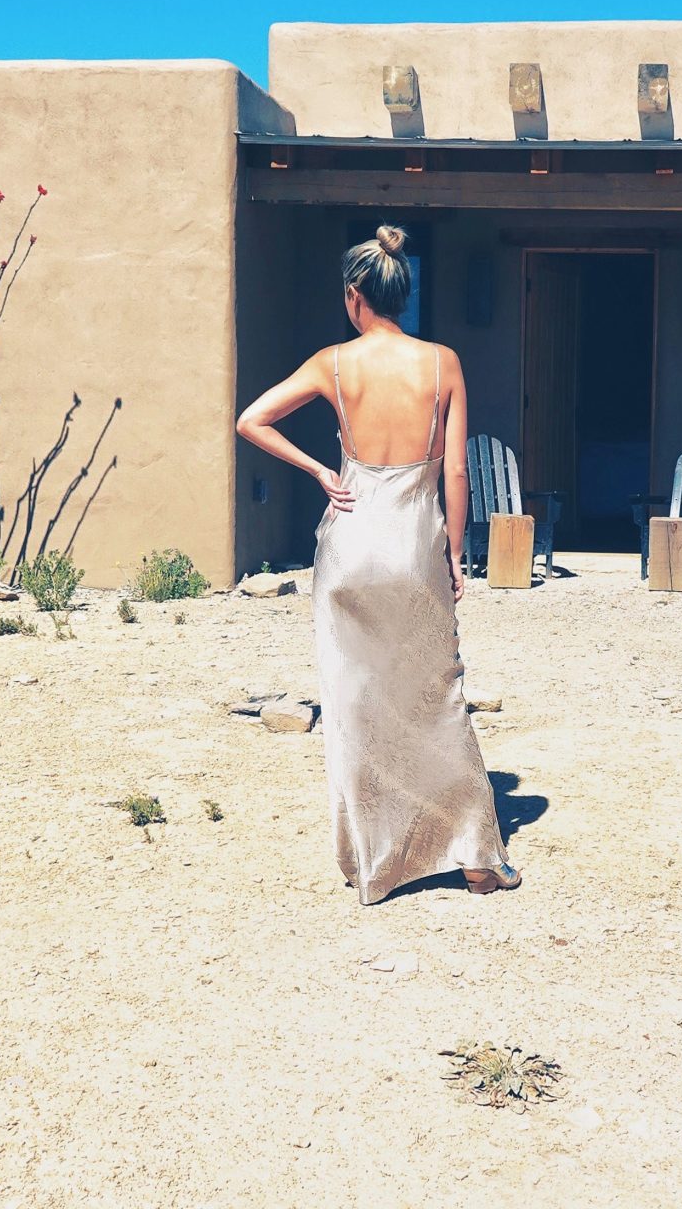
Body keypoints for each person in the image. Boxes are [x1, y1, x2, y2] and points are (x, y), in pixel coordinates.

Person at [235, 225, 520, 903]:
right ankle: (477, 857)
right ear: (401, 293)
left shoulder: (332, 363)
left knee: (355, 701)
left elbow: (252, 419)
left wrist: (317, 470)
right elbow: (454, 467)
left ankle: (375, 865)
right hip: (415, 540)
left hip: (352, 536)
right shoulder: (443, 362)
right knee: (435, 694)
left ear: (354, 296)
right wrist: (456, 553)